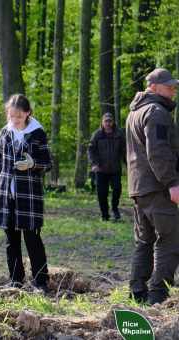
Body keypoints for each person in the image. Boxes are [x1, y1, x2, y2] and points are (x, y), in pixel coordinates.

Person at [126, 68, 179, 305]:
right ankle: (157, 295)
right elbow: (158, 152)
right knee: (171, 239)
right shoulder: (156, 112)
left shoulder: (135, 113)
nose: (173, 90)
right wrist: (172, 183)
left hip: (139, 188)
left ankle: (137, 292)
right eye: (169, 86)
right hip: (157, 188)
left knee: (144, 241)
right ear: (154, 88)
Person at [0, 94, 52, 292]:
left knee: (32, 239)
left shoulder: (37, 133)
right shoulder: (4, 132)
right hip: (6, 194)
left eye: (18, 117)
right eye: (11, 116)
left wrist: (32, 164)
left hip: (29, 195)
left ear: (27, 113)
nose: (14, 120)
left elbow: (47, 163)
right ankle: (16, 280)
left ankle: (41, 281)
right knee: (11, 241)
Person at [88, 112, 126, 221]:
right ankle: (105, 214)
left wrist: (128, 164)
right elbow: (91, 150)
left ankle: (115, 208)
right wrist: (94, 164)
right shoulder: (97, 135)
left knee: (117, 189)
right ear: (102, 122)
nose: (108, 123)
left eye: (110, 121)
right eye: (106, 121)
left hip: (115, 169)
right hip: (100, 169)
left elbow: (124, 150)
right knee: (102, 193)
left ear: (113, 122)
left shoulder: (119, 134)